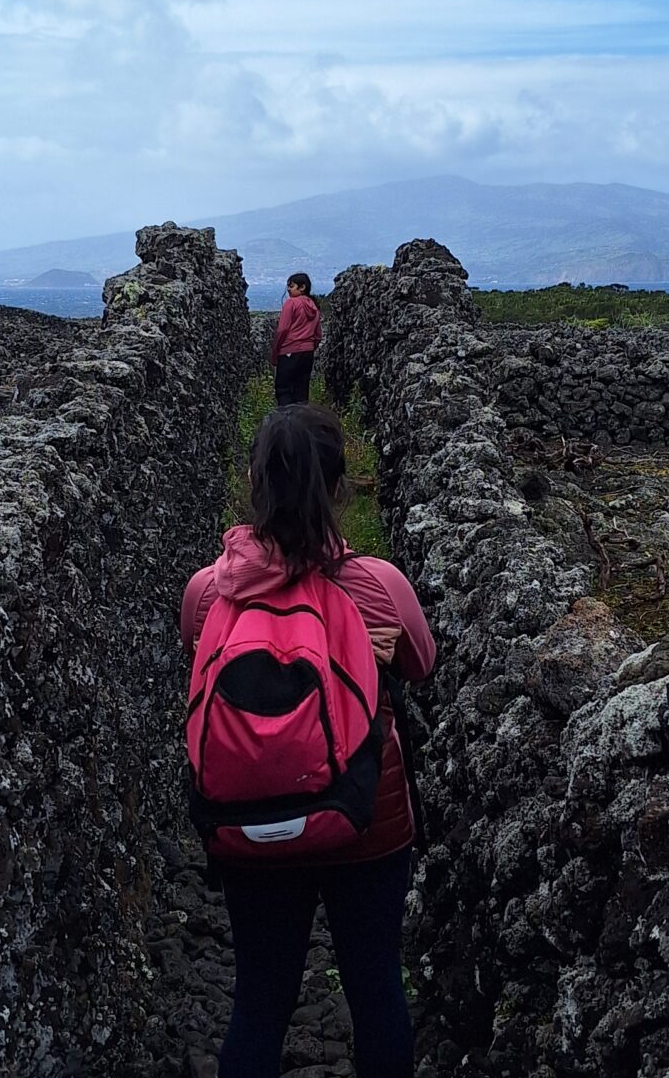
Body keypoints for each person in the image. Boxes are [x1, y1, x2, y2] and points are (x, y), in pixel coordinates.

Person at [182, 404, 436, 1078]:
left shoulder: (209, 594)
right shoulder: (379, 588)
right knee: (377, 990)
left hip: (248, 821)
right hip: (367, 821)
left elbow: (200, 661)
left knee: (258, 1005)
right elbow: (424, 662)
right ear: (339, 488)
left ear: (253, 483)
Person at [270, 271, 320, 405]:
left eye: (291, 286)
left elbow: (282, 329)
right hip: (307, 352)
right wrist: (310, 347)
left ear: (302, 287)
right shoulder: (314, 306)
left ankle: (284, 421)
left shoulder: (291, 303)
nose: (288, 289)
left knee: (284, 389)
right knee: (301, 391)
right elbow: (318, 334)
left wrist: (276, 351)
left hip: (289, 351)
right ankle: (302, 421)